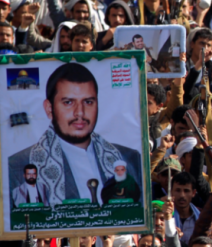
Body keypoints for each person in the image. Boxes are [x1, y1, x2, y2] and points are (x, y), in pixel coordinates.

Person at [8, 62, 142, 207]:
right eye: (68, 102)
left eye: (88, 102)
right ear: (49, 108)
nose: (80, 112)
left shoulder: (129, 158)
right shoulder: (18, 166)